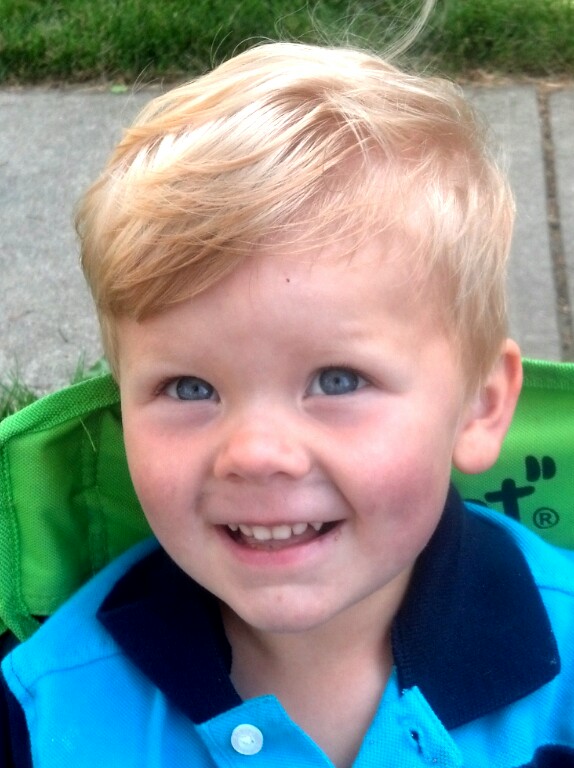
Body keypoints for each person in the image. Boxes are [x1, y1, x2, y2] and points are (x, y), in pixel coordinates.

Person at [2, 41, 574, 768]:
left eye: (337, 381)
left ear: (479, 405)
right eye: (189, 388)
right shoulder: (47, 708)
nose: (256, 454)